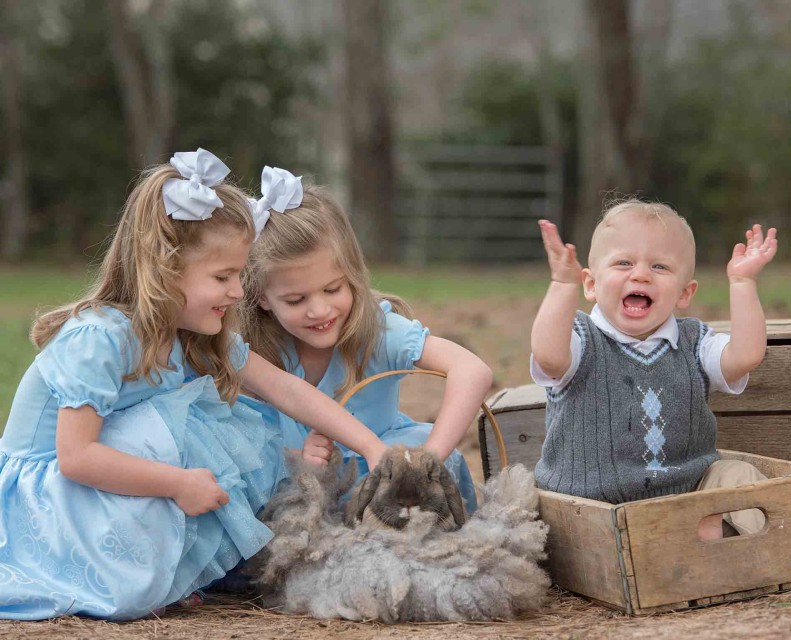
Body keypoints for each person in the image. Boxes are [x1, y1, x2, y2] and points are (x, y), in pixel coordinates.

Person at [0, 150, 386, 621]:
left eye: (239, 276)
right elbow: (76, 457)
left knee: (206, 424)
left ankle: (183, 562)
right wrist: (178, 483)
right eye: (222, 277)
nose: (239, 293)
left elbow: (285, 389)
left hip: (105, 473)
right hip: (50, 497)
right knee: (174, 427)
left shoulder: (193, 334)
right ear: (163, 273)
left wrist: (370, 446)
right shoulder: (99, 338)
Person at [238, 167, 492, 511]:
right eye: (296, 300)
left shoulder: (377, 330)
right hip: (309, 490)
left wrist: (431, 456)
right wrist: (297, 456)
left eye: (333, 288)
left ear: (353, 274)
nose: (319, 310)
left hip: (388, 471)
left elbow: (472, 369)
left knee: (411, 463)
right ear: (262, 297)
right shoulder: (259, 350)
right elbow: (246, 435)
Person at [530, 200, 778, 538]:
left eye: (660, 267)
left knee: (737, 475)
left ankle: (766, 549)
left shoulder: (693, 342)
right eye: (623, 263)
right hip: (591, 506)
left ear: (683, 293)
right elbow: (549, 357)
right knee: (645, 535)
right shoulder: (579, 339)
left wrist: (742, 284)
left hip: (686, 496)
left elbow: (746, 356)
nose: (641, 274)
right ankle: (708, 541)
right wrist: (561, 285)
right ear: (590, 284)